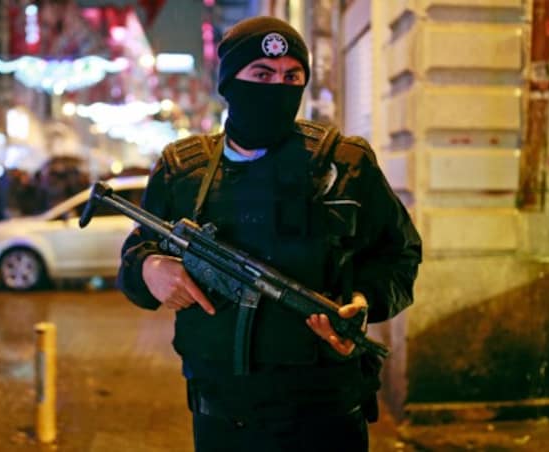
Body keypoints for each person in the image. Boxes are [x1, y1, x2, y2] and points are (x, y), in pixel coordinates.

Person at [117, 16, 422, 452]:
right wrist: (150, 269)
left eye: (291, 76)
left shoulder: (346, 164)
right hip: (222, 418)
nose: (278, 86)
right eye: (262, 74)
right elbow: (135, 256)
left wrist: (366, 301)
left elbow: (401, 255)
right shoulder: (182, 169)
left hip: (327, 410)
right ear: (230, 83)